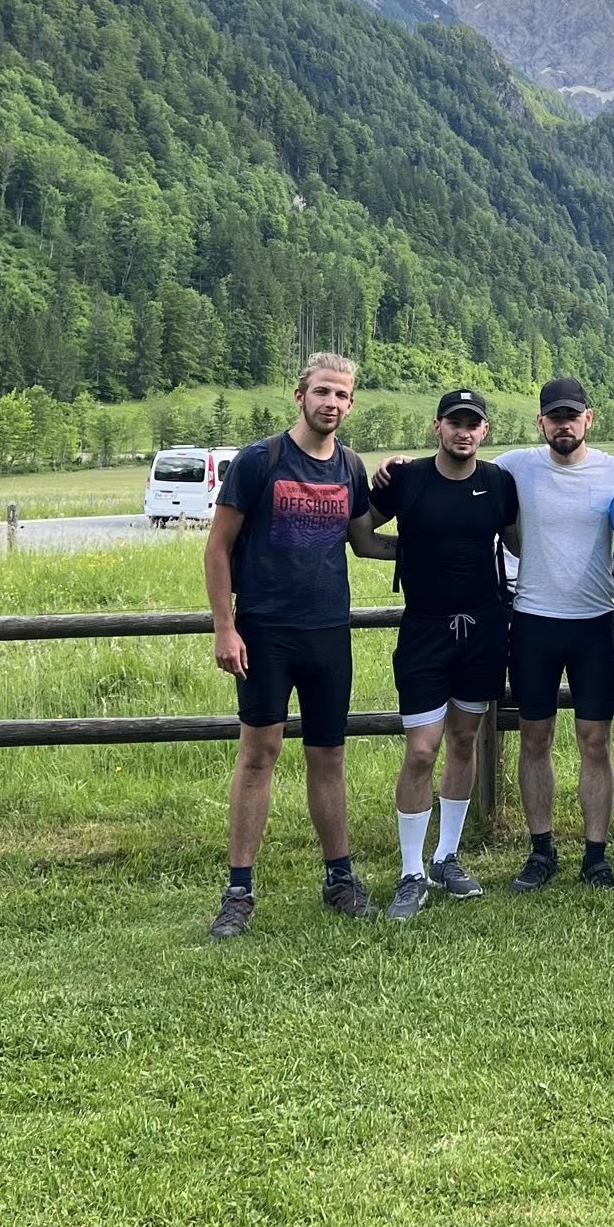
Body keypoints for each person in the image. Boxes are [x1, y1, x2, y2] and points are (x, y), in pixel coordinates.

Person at [205, 353, 393, 937]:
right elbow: (217, 548)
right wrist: (225, 626)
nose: (331, 403)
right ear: (300, 395)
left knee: (328, 755)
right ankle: (239, 891)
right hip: (265, 631)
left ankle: (340, 879)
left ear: (351, 404)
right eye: (322, 392)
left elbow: (365, 541)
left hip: (328, 631)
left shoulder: (350, 466)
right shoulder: (259, 461)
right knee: (259, 754)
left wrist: (437, 543)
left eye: (341, 395)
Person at [363, 388, 519, 922]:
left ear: (485, 431)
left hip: (483, 628)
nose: (463, 431)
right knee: (422, 750)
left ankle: (446, 856)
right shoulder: (406, 479)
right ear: (437, 428)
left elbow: (521, 544)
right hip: (425, 630)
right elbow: (361, 535)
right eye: (455, 422)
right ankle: (411, 872)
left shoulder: (499, 483)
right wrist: (410, 551)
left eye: (473, 423)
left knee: (464, 741)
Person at [496, 378, 614, 892]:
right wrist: (398, 469)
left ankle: (595, 855)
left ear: (589, 419)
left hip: (595, 624)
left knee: (595, 741)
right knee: (535, 738)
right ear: (541, 422)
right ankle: (541, 850)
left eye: (572, 416)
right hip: (533, 622)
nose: (564, 425)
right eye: (554, 416)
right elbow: (459, 472)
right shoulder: (515, 467)